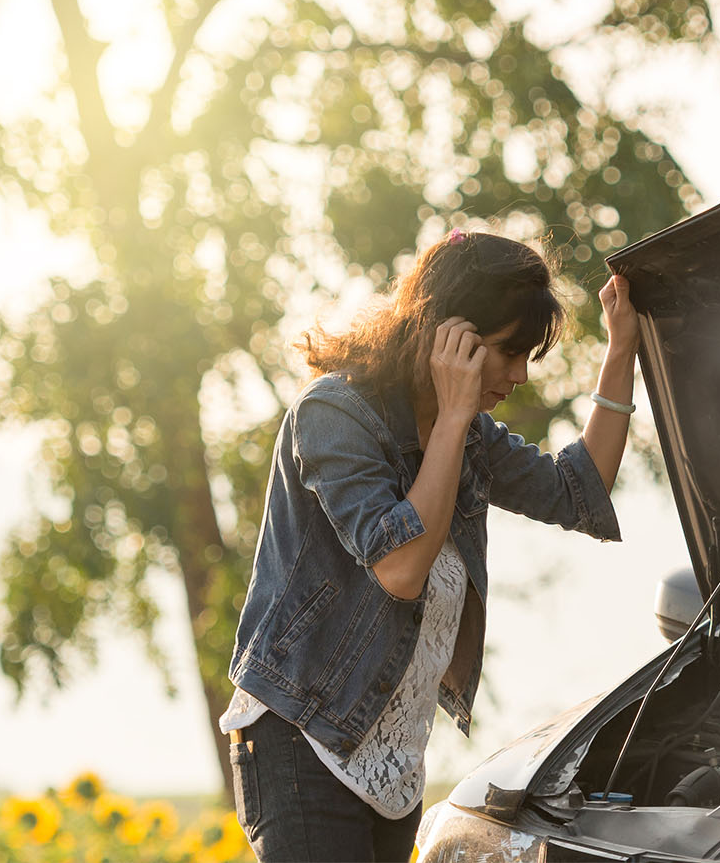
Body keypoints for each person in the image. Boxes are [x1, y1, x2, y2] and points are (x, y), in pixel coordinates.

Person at [218, 229, 638, 861]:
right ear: (451, 337)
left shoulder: (466, 435)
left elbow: (579, 494)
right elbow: (402, 567)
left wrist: (623, 346)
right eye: (507, 352)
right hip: (304, 738)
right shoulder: (335, 413)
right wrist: (453, 416)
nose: (520, 375)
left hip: (394, 762)